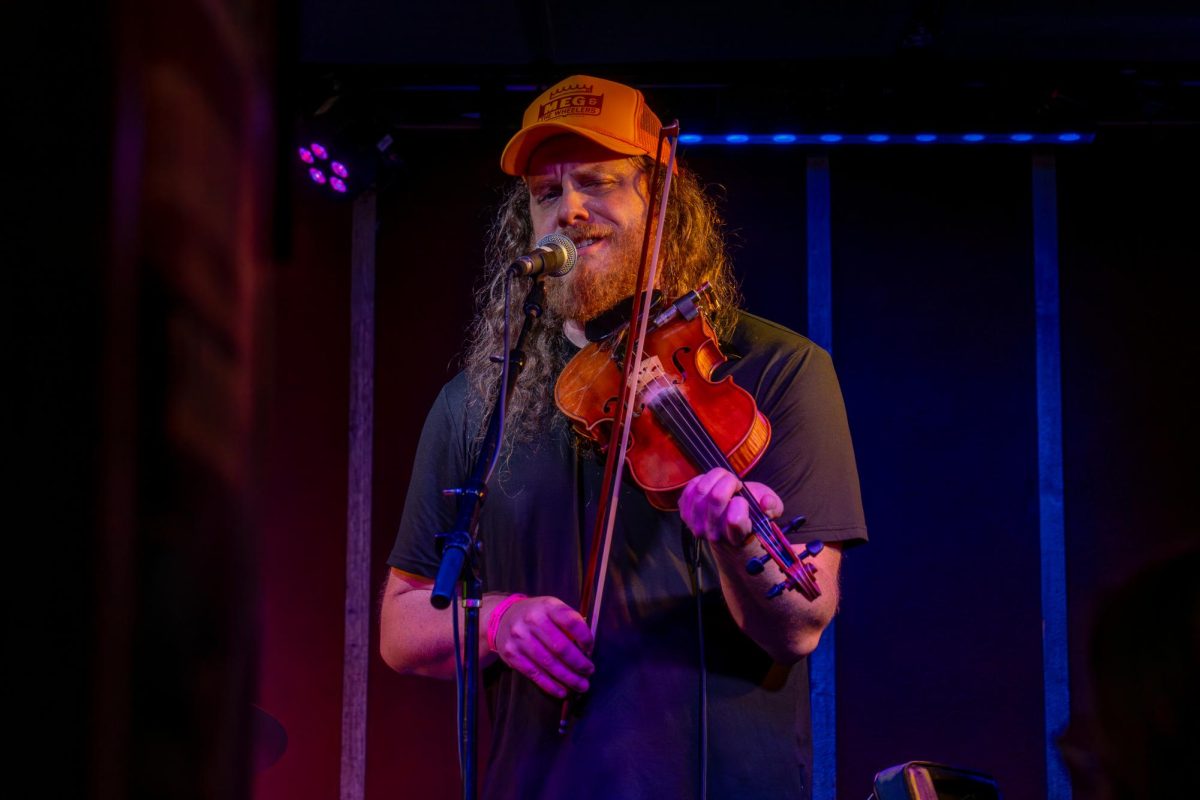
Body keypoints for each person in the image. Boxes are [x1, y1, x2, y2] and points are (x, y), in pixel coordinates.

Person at [380, 75, 868, 800]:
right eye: (547, 193)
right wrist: (499, 623)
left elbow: (800, 626)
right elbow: (401, 623)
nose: (570, 210)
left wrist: (738, 545)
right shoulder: (478, 403)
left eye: (598, 182)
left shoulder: (777, 371)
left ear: (662, 200)